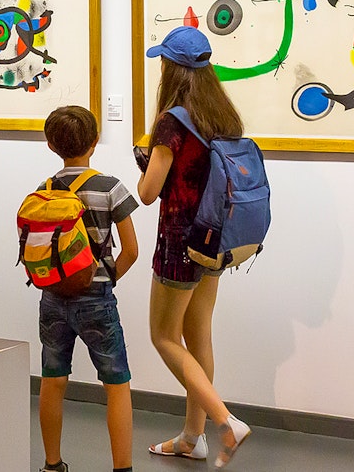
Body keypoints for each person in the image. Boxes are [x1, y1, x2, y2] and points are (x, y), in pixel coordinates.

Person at [136, 25, 252, 469]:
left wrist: (147, 160)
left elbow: (149, 193)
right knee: (198, 334)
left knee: (164, 336)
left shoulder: (171, 123)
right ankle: (192, 437)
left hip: (179, 244)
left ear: (171, 69)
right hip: (215, 242)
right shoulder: (223, 116)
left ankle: (224, 422)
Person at [37, 105, 140, 472]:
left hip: (52, 298)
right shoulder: (110, 187)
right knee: (116, 385)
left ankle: (52, 464)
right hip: (96, 300)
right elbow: (131, 250)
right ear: (95, 142)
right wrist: (105, 280)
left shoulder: (44, 191)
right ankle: (122, 468)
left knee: (52, 380)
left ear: (51, 146)